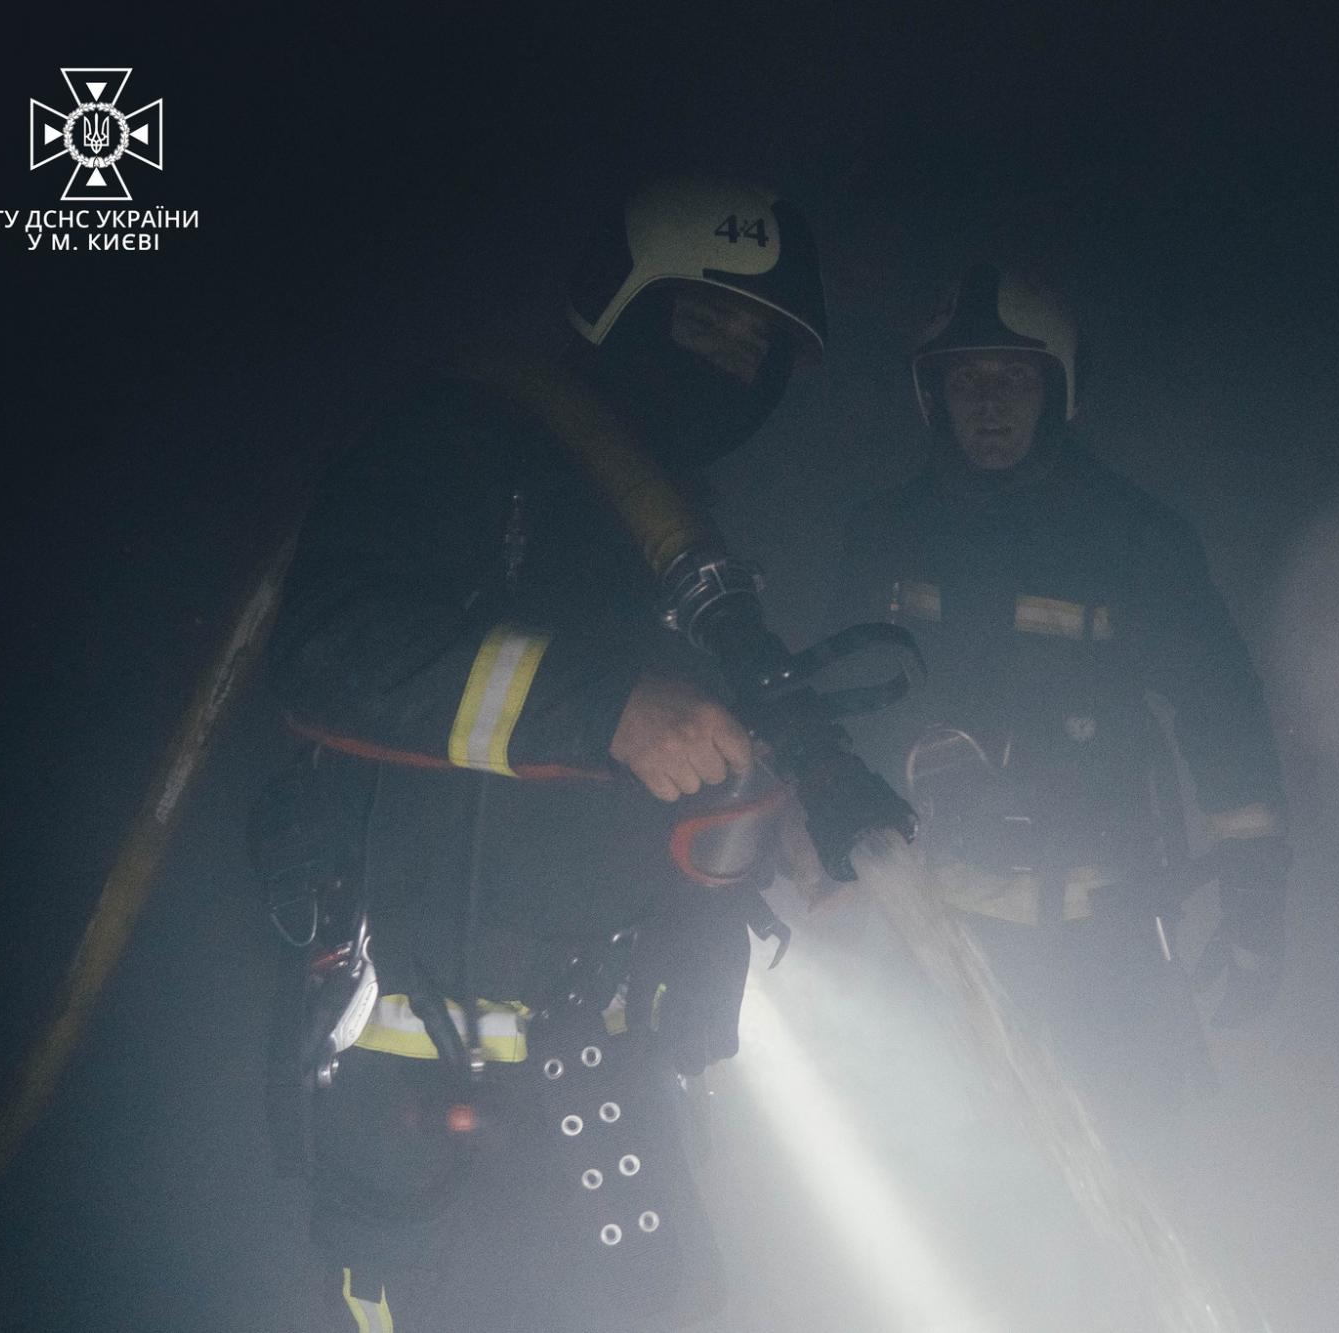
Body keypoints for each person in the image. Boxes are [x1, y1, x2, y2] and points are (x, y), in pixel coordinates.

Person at [258, 176, 827, 1332]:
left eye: (752, 344)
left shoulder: (685, 546)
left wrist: (746, 875)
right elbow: (327, 648)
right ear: (615, 305)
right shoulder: (462, 444)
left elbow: (688, 789)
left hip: (614, 1093)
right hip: (420, 1088)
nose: (723, 360)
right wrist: (602, 704)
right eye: (701, 320)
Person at [833, 262, 1292, 1147]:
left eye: (1015, 378)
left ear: (1062, 388)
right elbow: (835, 708)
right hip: (927, 925)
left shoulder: (1135, 538)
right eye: (966, 379)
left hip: (1103, 932)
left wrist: (1256, 894)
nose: (990, 402)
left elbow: (1221, 712)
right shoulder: (883, 535)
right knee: (936, 1173)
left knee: (1130, 1152)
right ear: (933, 396)